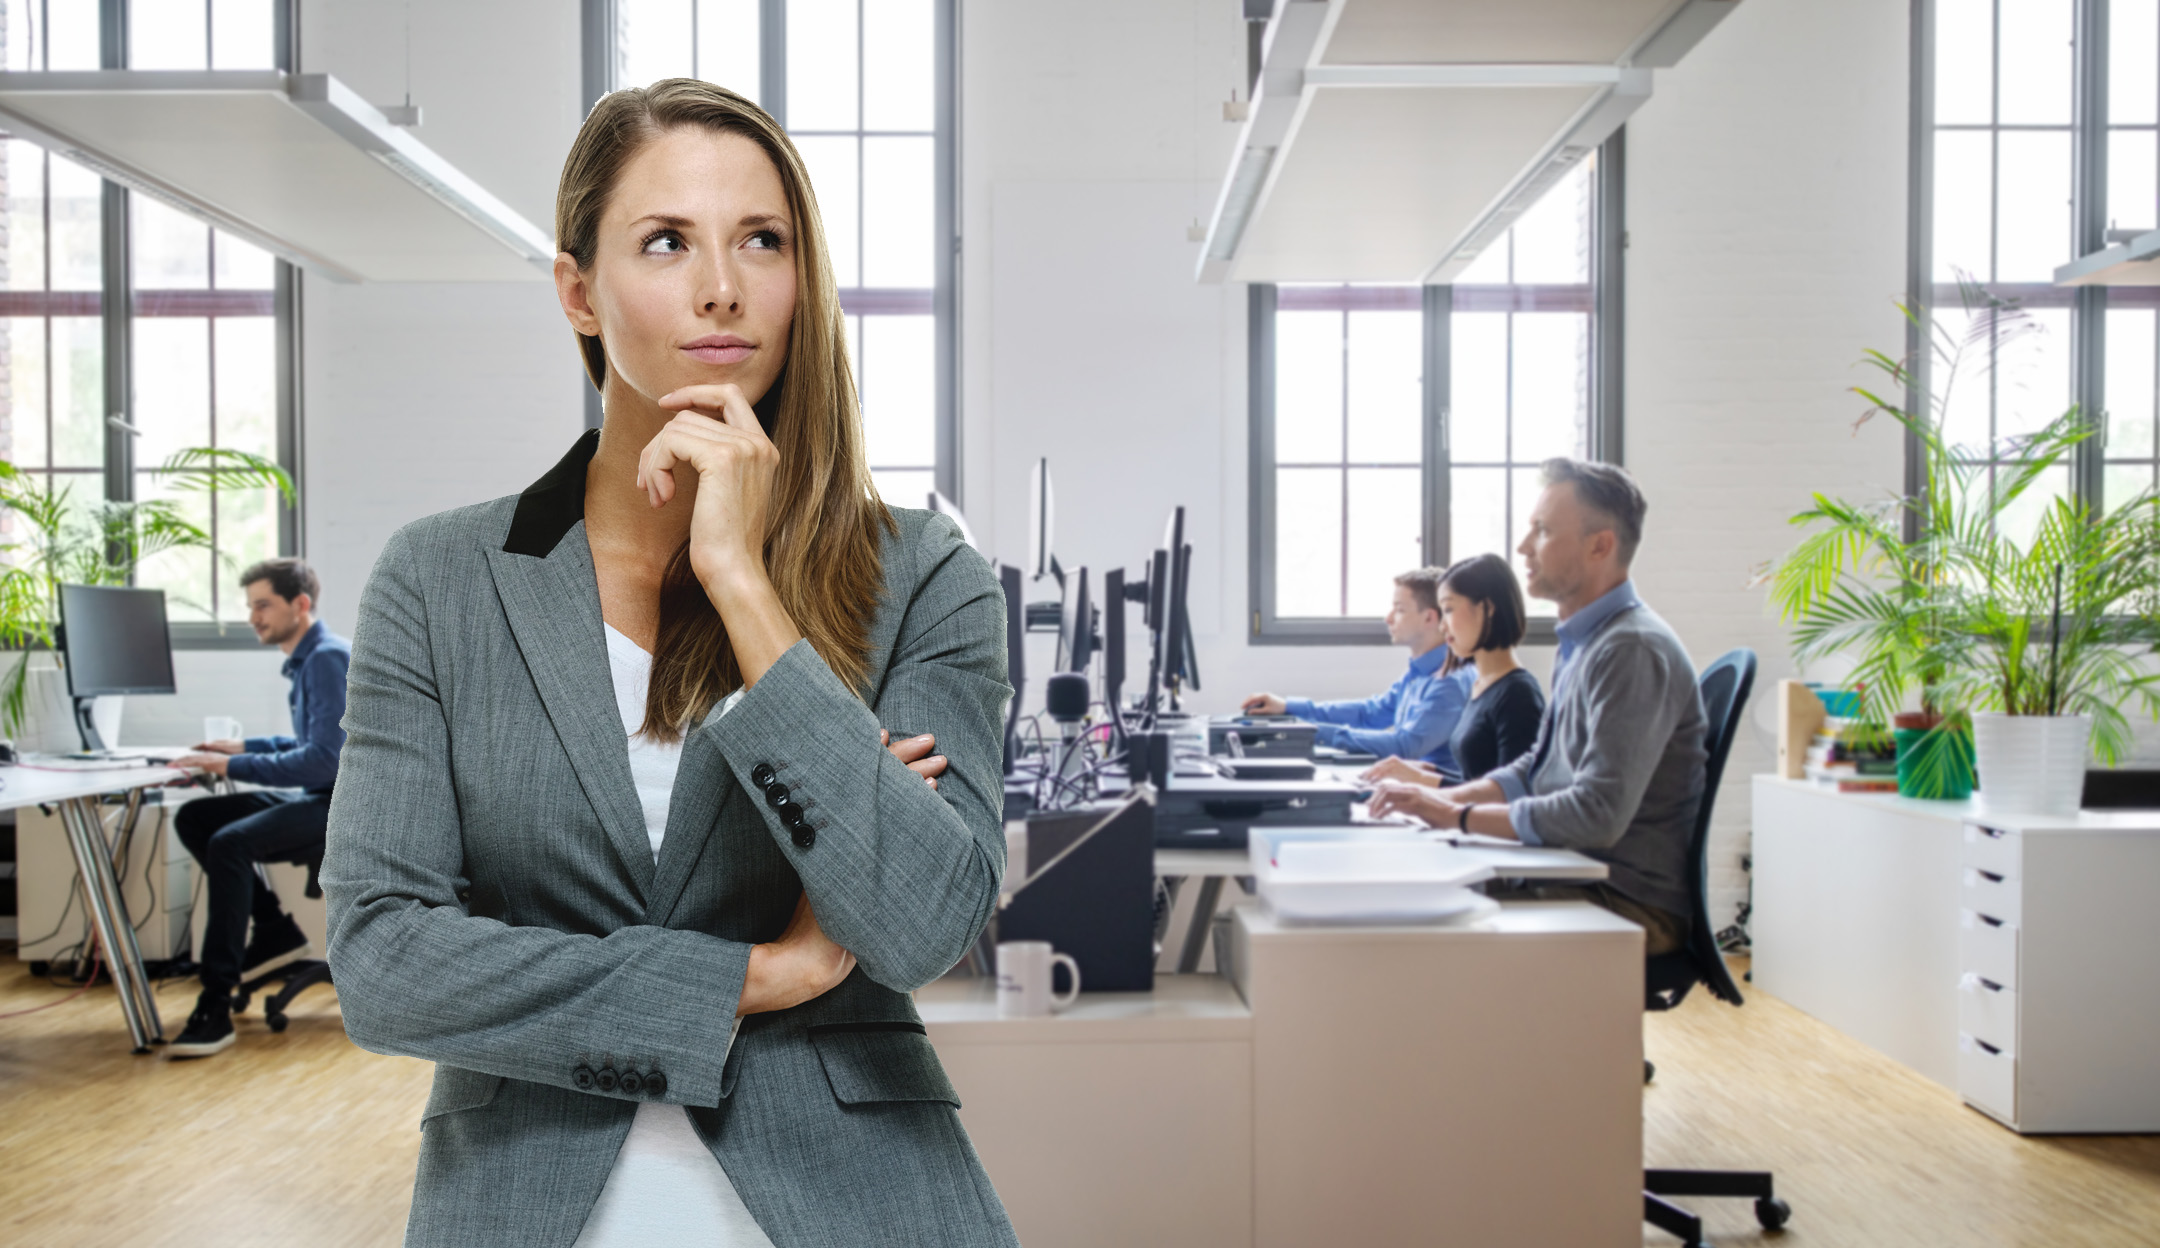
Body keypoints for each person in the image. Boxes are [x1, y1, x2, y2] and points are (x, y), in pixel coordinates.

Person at [320, 80, 1016, 1246]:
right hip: (526, 1199)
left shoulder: (922, 571)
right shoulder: (439, 580)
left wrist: (745, 582)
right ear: (579, 292)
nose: (722, 287)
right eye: (665, 242)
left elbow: (921, 927)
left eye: (763, 240)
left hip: (855, 1204)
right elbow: (385, 963)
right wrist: (759, 977)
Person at [1368, 459, 1706, 955]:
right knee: (1398, 887)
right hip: (1577, 870)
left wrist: (1454, 817)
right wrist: (1445, 804)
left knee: (1408, 919)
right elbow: (1536, 767)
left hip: (1625, 899)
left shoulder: (1631, 650)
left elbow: (1596, 814)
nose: (1524, 547)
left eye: (1542, 531)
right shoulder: (1585, 641)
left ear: (1600, 545)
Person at [165, 559, 351, 1059]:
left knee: (231, 842)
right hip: (321, 795)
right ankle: (272, 930)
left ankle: (214, 1002)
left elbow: (322, 761)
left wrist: (232, 766)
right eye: (250, 606)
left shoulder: (326, 659)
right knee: (198, 818)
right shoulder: (309, 660)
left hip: (342, 805)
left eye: (263, 604)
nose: (253, 616)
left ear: (301, 604)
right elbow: (310, 743)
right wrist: (239, 747)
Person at [1241, 568, 1474, 773]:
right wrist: (1288, 707)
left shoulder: (1449, 681)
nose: (1388, 618)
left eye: (1399, 610)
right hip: (1408, 785)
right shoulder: (1419, 672)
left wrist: (1311, 731)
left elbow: (1406, 746)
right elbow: (1370, 713)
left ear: (1429, 617)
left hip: (1434, 798)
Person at [1362, 553, 1543, 786]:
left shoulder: (1518, 695)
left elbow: (1512, 797)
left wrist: (1425, 780)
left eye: (1447, 610)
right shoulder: (1482, 684)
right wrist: (1424, 773)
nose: (1441, 625)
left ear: (1487, 608)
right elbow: (1478, 779)